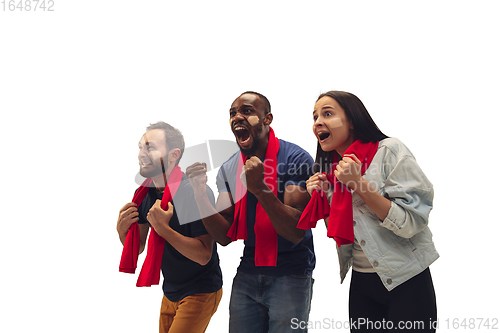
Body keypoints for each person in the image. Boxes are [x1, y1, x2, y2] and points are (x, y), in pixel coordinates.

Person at [301, 91, 438, 332]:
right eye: (314, 117)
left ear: (352, 121)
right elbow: (344, 232)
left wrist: (359, 184)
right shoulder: (331, 171)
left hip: (406, 280)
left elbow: (412, 222)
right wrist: (322, 197)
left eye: (328, 113)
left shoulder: (389, 151)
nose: (317, 122)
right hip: (362, 282)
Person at [186, 91, 315, 333]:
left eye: (246, 111)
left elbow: (296, 232)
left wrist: (260, 190)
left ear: (267, 119)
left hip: (291, 274)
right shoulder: (228, 168)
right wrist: (199, 195)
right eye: (232, 113)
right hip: (248, 272)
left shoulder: (296, 158)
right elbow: (224, 235)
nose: (237, 117)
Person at [116, 122, 223, 333]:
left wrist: (164, 230)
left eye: (150, 147)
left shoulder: (194, 191)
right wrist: (122, 231)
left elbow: (203, 255)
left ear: (174, 155)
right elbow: (138, 247)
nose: (141, 154)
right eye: (140, 147)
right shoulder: (145, 193)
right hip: (171, 292)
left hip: (200, 291)